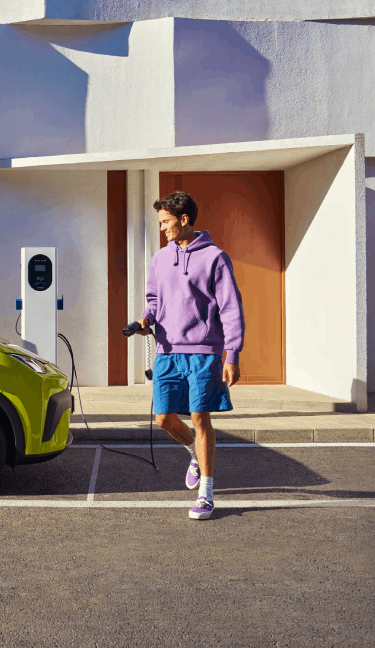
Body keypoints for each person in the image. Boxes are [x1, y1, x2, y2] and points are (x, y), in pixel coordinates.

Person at [135, 191, 244, 520]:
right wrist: (145, 319)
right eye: (160, 222)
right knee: (163, 419)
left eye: (166, 222)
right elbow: (154, 301)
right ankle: (194, 454)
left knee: (200, 419)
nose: (162, 228)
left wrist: (232, 354)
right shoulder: (159, 259)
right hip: (167, 351)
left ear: (183, 220)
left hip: (203, 352)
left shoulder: (215, 258)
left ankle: (206, 494)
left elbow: (230, 308)